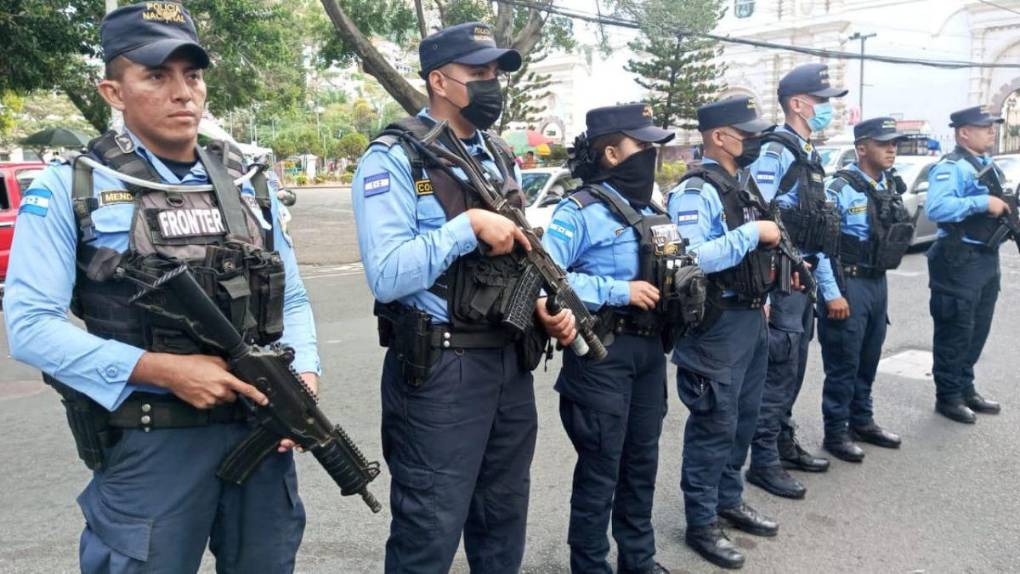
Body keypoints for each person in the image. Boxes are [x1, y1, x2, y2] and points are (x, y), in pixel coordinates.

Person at [4, 3, 320, 572]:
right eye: (156, 76)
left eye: (192, 76)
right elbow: (30, 327)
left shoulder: (249, 181)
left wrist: (304, 377)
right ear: (112, 91)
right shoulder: (73, 186)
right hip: (154, 441)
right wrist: (162, 371)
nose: (183, 93)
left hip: (260, 429)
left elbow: (290, 296)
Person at [350, 22, 575, 573]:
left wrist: (541, 307)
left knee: (502, 522)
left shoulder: (497, 155)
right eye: (478, 72)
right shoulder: (394, 157)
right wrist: (466, 226)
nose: (491, 83)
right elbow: (387, 275)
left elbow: (516, 255)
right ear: (438, 81)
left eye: (495, 72)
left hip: (508, 363)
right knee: (428, 531)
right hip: (440, 372)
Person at [543, 103, 679, 574]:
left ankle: (638, 559)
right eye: (641, 145)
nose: (651, 154)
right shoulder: (578, 210)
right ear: (611, 153)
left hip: (649, 351)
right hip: (604, 351)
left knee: (641, 463)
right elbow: (548, 275)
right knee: (601, 470)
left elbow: (676, 267)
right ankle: (590, 565)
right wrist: (619, 290)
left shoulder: (653, 211)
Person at [668, 96, 783, 570]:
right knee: (714, 423)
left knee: (743, 418)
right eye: (747, 133)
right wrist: (753, 234)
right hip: (716, 325)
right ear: (719, 136)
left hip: (750, 318)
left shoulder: (743, 184)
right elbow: (690, 257)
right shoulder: (695, 191)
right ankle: (701, 521)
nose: (755, 141)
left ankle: (728, 499)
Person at [746, 63, 845, 499]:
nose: (826, 109)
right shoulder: (776, 151)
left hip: (803, 281)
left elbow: (814, 234)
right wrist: (765, 287)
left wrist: (827, 288)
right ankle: (763, 461)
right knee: (778, 373)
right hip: (781, 283)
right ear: (799, 104)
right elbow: (756, 213)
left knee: (794, 370)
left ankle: (783, 444)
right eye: (821, 101)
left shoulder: (808, 154)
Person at [817, 117, 914, 461]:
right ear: (861, 148)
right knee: (843, 361)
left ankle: (862, 420)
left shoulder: (889, 184)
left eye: (894, 143)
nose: (892, 149)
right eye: (883, 143)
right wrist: (832, 293)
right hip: (849, 282)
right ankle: (836, 431)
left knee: (869, 357)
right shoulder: (839, 188)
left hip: (876, 281)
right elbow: (821, 246)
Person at [925, 105, 1007, 424]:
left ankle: (965, 387)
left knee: (977, 328)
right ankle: (948, 396)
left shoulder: (987, 165)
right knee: (955, 330)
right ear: (964, 133)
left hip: (985, 258)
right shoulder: (951, 167)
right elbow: (937, 207)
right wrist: (982, 202)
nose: (992, 132)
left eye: (992, 127)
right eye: (985, 127)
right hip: (958, 260)